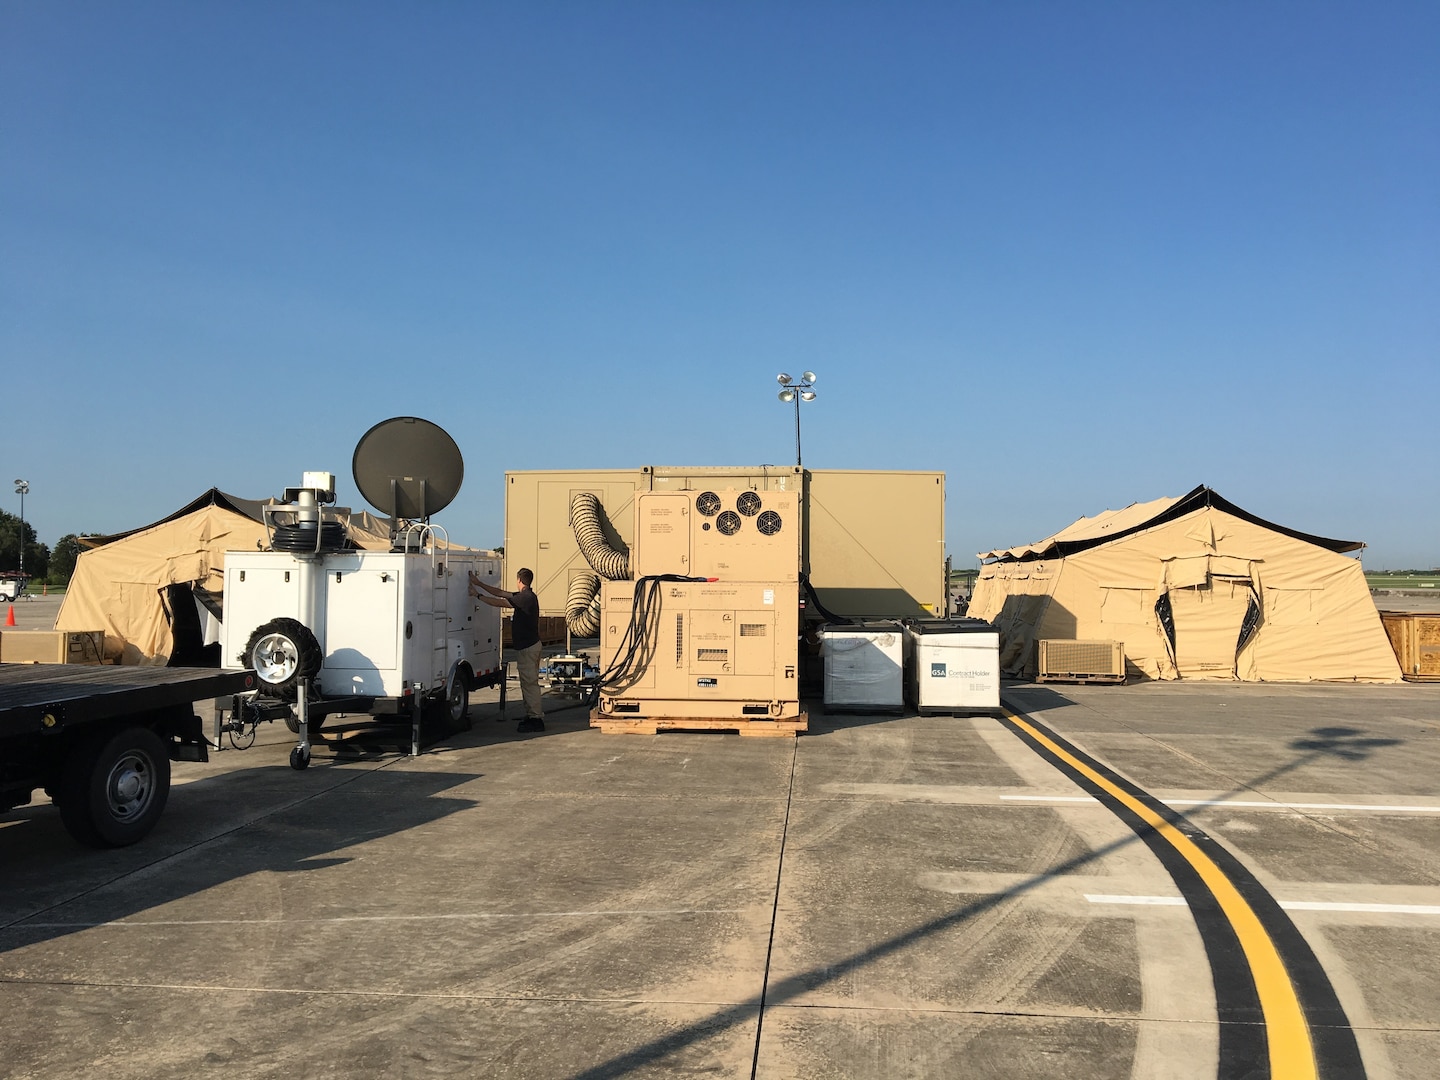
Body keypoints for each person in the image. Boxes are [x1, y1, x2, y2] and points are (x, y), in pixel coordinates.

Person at [470, 567, 545, 732]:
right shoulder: (526, 596)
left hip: (528, 647)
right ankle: (532, 714)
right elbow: (500, 593)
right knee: (528, 683)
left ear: (519, 580)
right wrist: (479, 583)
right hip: (530, 646)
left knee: (529, 684)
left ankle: (536, 718)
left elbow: (499, 602)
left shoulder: (525, 598)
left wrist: (477, 595)